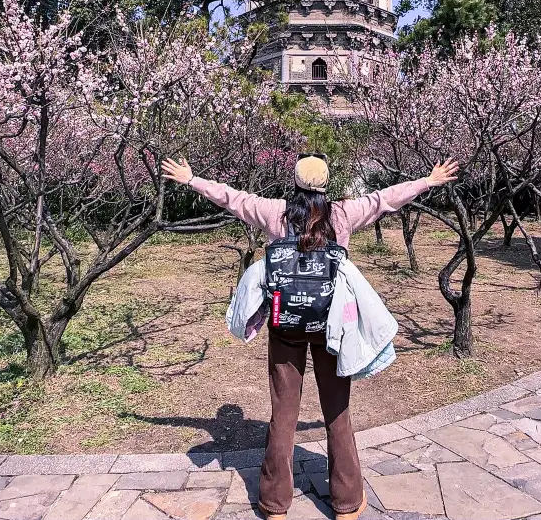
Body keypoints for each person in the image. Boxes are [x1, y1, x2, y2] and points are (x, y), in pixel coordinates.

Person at [162, 153, 459, 520]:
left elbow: (232, 198)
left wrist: (192, 179)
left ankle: (274, 505)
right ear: (326, 184)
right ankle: (347, 503)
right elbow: (385, 199)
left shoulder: (275, 213)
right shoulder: (343, 214)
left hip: (285, 328)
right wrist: (427, 181)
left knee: (282, 415)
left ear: (296, 183)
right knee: (338, 414)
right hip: (332, 329)